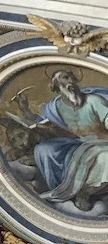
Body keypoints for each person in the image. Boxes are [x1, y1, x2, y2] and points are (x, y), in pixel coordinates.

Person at [12, 68, 108, 212]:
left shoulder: (94, 100)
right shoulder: (55, 106)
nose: (70, 82)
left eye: (71, 78)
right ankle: (58, 188)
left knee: (105, 156)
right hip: (77, 142)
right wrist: (25, 109)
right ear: (56, 86)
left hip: (102, 142)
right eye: (65, 78)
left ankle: (85, 192)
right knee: (43, 149)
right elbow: (42, 122)